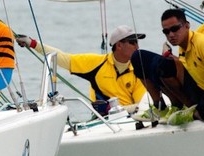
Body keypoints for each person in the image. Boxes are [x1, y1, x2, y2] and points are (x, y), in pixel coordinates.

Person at [15, 25, 155, 114]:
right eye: (133, 42)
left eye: (137, 42)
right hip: (103, 123)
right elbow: (64, 59)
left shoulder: (140, 70)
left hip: (131, 121)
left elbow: (141, 106)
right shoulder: (96, 63)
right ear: (119, 45)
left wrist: (119, 109)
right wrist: (33, 43)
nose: (137, 47)